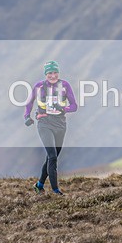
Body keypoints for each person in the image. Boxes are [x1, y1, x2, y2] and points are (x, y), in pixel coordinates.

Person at [23, 60, 77, 195]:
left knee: (50, 158)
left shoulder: (65, 86)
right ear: (46, 74)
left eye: (55, 72)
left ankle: (39, 185)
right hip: (44, 123)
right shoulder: (39, 86)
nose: (53, 76)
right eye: (50, 73)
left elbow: (74, 106)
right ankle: (55, 191)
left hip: (60, 125)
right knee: (52, 157)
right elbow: (29, 103)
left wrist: (63, 108)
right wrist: (27, 117)